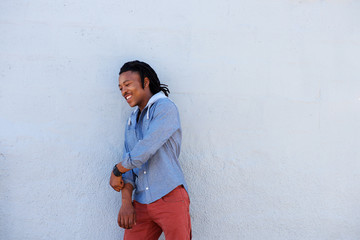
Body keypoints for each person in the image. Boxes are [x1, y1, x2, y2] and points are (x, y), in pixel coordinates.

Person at [110, 60, 191, 240]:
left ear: (146, 82)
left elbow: (144, 149)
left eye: (128, 84)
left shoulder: (165, 108)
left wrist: (117, 170)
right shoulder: (131, 120)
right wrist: (126, 202)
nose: (123, 91)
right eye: (120, 87)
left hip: (169, 195)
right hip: (141, 202)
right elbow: (128, 161)